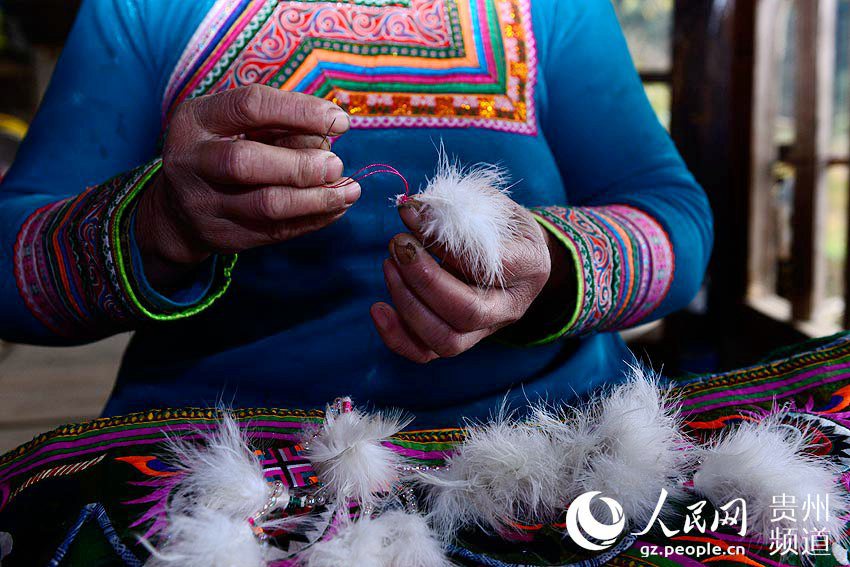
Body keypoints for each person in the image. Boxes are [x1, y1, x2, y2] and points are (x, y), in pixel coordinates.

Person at [0, 0, 712, 426]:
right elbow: (10, 268)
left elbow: (674, 217)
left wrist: (553, 263)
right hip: (220, 467)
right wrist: (156, 224)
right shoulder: (147, 10)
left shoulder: (548, 10)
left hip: (555, 438)